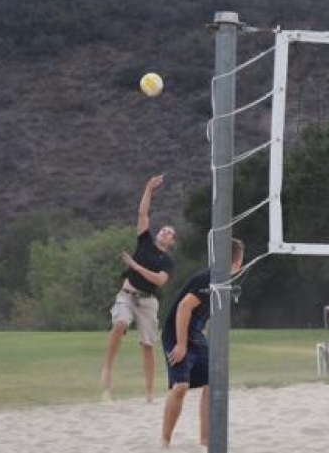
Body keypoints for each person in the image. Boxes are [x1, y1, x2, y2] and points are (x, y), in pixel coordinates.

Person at [100, 175, 177, 403]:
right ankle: (106, 372)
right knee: (120, 324)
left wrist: (134, 265)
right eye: (163, 230)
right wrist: (148, 189)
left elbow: (159, 280)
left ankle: (150, 394)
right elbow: (142, 213)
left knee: (147, 345)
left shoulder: (167, 260)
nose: (165, 232)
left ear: (172, 241)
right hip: (127, 294)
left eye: (170, 233)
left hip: (148, 302)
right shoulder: (144, 241)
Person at [161, 238, 244, 448]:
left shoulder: (224, 281)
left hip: (196, 333)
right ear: (236, 263)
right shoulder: (210, 277)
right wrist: (180, 345)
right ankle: (164, 441)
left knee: (211, 385)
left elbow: (207, 313)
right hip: (176, 332)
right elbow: (183, 308)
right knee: (180, 386)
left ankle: (206, 440)